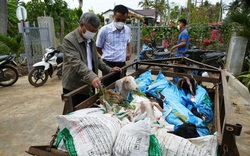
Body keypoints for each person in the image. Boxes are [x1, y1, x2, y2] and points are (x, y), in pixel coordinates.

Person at [62, 12, 121, 107]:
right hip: (75, 86)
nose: (92, 34)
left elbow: (97, 58)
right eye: (91, 30)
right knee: (75, 112)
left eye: (95, 31)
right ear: (81, 25)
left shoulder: (90, 41)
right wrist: (92, 77)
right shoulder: (69, 40)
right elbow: (76, 63)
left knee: (88, 108)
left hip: (89, 84)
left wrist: (109, 69)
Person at [96, 4, 132, 86]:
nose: (120, 22)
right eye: (118, 19)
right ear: (113, 16)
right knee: (108, 89)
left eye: (123, 20)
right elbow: (98, 47)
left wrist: (129, 52)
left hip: (122, 64)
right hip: (108, 65)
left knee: (122, 87)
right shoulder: (104, 30)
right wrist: (106, 56)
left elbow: (128, 42)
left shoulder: (127, 30)